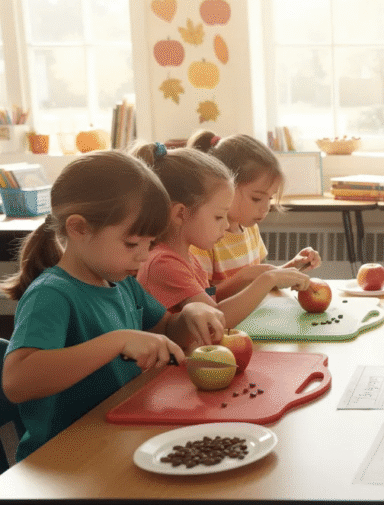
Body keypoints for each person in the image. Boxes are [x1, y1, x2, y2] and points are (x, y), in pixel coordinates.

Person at [0, 150, 226, 463]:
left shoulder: (123, 283)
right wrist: (116, 341)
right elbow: (17, 382)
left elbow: (165, 331)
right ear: (78, 228)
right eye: (132, 244)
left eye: (149, 243)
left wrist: (189, 315)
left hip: (119, 444)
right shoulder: (52, 295)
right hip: (67, 470)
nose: (144, 256)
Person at [133, 142, 311, 328]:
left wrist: (254, 277)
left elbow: (212, 300)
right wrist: (268, 280)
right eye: (218, 216)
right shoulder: (163, 264)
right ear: (180, 213)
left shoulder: (186, 258)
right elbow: (217, 320)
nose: (226, 224)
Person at [188, 131, 321, 299]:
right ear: (226, 186)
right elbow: (204, 297)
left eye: (270, 198)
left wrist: (294, 266)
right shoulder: (202, 240)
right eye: (256, 198)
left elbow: (260, 282)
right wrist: (246, 276)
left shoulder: (250, 229)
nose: (265, 208)